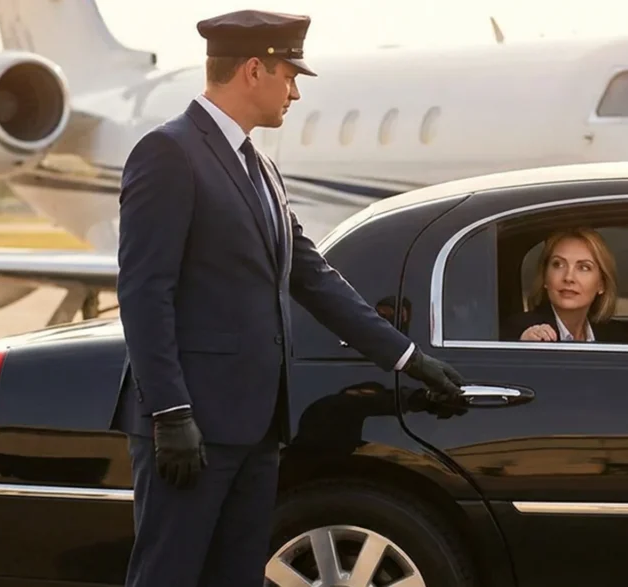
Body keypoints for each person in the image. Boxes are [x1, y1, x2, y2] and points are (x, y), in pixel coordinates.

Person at [110, 9, 466, 587]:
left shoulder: (262, 168)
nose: (296, 93)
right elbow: (145, 293)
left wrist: (408, 358)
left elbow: (314, 277)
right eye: (290, 76)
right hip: (192, 426)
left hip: (257, 425)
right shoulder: (169, 153)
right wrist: (170, 412)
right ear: (254, 69)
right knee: (168, 575)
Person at [502, 227, 621, 342]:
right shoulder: (521, 330)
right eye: (558, 264)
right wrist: (524, 346)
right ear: (545, 278)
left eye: (584, 267)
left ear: (602, 284)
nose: (568, 277)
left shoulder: (613, 336)